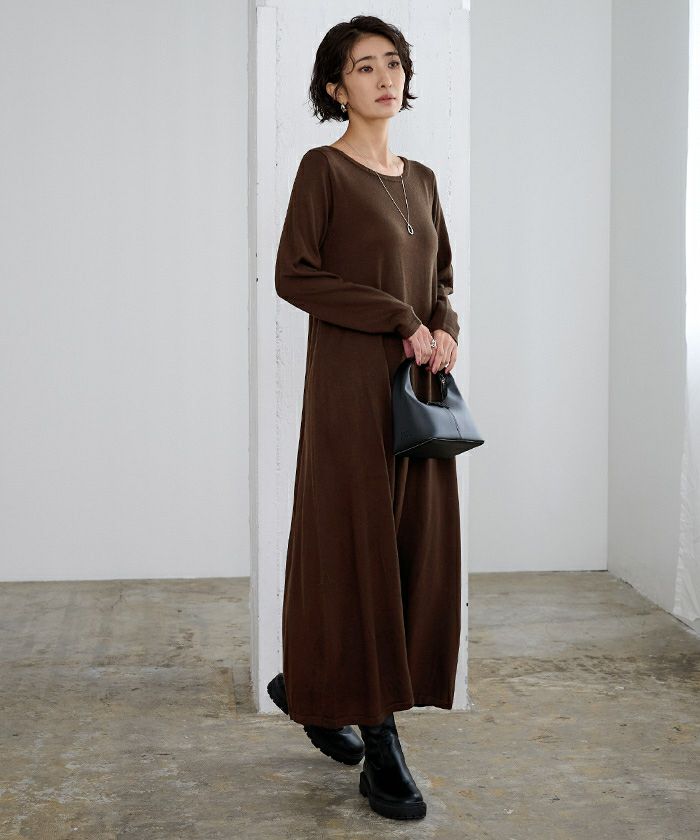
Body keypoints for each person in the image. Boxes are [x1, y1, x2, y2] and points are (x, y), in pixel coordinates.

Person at [266, 15, 462, 822]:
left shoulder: (423, 180)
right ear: (334, 87)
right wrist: (397, 316)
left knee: (413, 551)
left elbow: (441, 278)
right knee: (358, 550)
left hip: (417, 393)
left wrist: (444, 327)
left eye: (393, 64)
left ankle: (313, 685)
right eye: (364, 67)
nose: (384, 78)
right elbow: (294, 274)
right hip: (351, 392)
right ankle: (380, 747)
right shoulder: (324, 170)